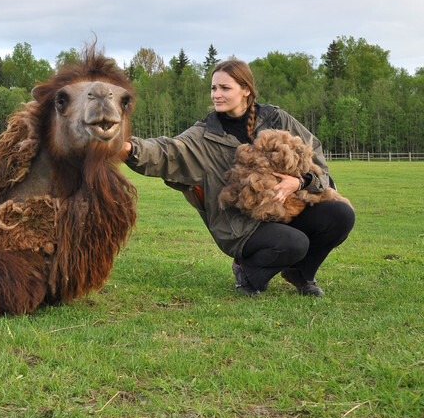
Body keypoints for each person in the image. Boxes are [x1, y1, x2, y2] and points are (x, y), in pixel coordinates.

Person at [122, 59, 355, 297]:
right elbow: (167, 151)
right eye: (213, 88)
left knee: (341, 214)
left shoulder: (276, 118)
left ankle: (301, 273)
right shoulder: (204, 135)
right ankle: (247, 271)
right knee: (295, 243)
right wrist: (129, 148)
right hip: (241, 225)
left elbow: (315, 156)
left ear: (246, 90)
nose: (216, 95)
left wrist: (299, 182)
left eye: (225, 88)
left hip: (290, 210)